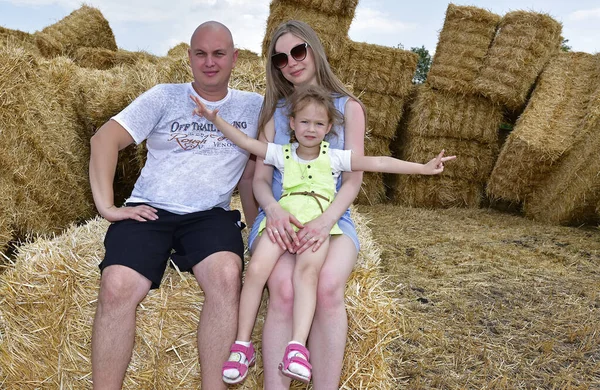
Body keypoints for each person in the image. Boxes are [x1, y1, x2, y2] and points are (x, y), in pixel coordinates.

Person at [190, 85, 455, 385]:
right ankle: (241, 346)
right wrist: (215, 120)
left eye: (318, 124)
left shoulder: (334, 158)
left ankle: (296, 347)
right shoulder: (282, 153)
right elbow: (247, 143)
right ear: (291, 124)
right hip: (285, 221)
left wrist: (422, 167)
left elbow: (378, 162)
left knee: (307, 273)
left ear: (329, 128)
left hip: (317, 225)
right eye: (304, 122)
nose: (311, 129)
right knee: (257, 271)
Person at [88, 21, 263, 390]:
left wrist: (258, 229)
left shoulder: (255, 107)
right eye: (200, 53)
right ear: (189, 58)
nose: (209, 62)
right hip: (149, 210)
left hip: (209, 215)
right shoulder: (164, 97)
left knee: (227, 276)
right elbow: (104, 140)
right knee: (116, 285)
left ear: (234, 58)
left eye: (218, 54)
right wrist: (107, 207)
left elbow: (253, 175)